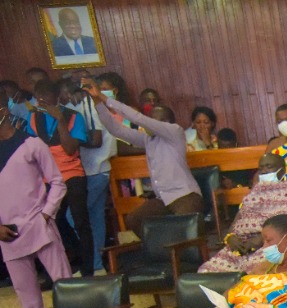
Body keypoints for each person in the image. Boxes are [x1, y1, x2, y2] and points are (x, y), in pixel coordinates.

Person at [83, 78, 203, 238]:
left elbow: (139, 118)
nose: (149, 123)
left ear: (166, 122)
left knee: (184, 233)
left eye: (154, 120)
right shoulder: (147, 138)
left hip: (185, 196)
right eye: (150, 118)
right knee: (134, 219)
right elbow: (116, 130)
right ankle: (161, 248)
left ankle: (175, 250)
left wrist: (103, 97)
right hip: (163, 198)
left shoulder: (175, 131)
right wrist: (98, 102)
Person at [0, 101, 72, 308]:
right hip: (7, 232)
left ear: (4, 112)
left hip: (39, 223)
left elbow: (58, 182)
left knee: (63, 282)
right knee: (24, 289)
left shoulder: (31, 144)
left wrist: (46, 215)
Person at [199, 154, 287, 274]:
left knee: (255, 274)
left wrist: (261, 239)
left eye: (269, 167)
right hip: (241, 247)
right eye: (261, 168)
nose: (264, 171)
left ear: (282, 170)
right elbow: (238, 221)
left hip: (273, 246)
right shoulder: (254, 193)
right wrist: (230, 238)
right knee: (207, 272)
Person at [27, 79, 95, 278]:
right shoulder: (33, 118)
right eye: (38, 97)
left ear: (56, 97)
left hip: (73, 174)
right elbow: (32, 150)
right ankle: (73, 259)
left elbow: (70, 148)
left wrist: (60, 121)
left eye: (46, 96)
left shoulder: (73, 116)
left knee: (81, 221)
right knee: (53, 222)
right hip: (47, 177)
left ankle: (88, 271)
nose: (42, 101)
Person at [59, 78, 113, 273]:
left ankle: (92, 264)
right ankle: (98, 267)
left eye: (62, 95)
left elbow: (96, 140)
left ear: (69, 93)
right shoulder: (79, 107)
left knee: (74, 217)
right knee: (95, 217)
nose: (61, 100)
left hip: (96, 169)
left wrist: (71, 140)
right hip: (94, 169)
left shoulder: (90, 106)